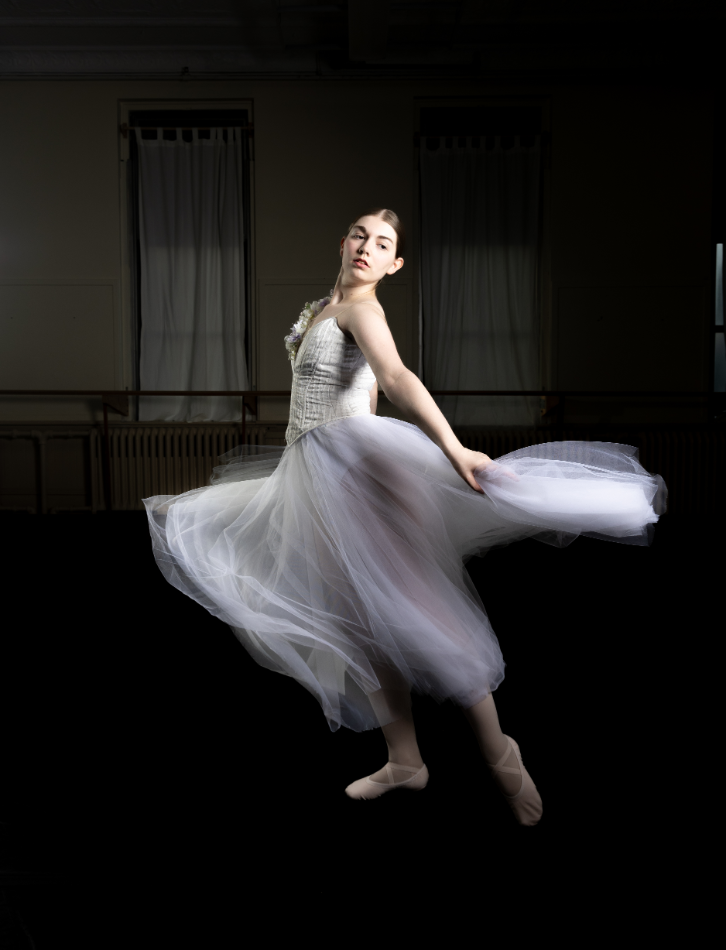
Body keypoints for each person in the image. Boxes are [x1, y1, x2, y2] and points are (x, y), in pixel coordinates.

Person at [144, 208, 665, 827]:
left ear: (394, 265)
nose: (368, 246)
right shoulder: (321, 312)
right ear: (343, 243)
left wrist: (455, 448)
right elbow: (356, 390)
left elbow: (393, 377)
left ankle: (500, 754)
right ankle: (405, 760)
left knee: (414, 608)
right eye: (360, 234)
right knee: (358, 617)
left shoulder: (364, 311)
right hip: (316, 473)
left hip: (358, 471)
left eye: (383, 243)